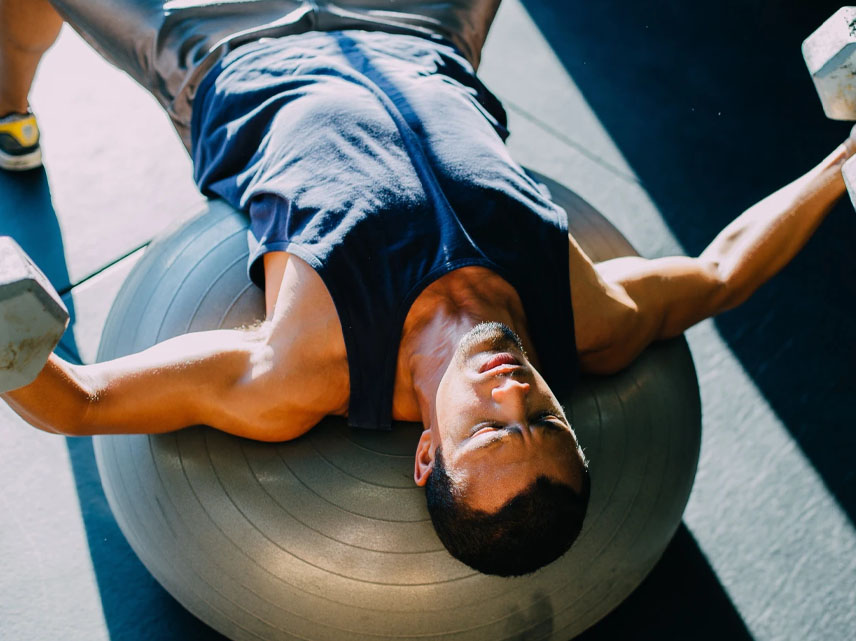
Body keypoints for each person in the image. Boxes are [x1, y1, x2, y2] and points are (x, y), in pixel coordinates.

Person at [1, 0, 853, 577]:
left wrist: (8, 321)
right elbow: (723, 271)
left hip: (226, 44)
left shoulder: (304, 370)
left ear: (425, 455)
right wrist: (845, 160)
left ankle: (7, 108)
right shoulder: (591, 318)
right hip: (422, 28)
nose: (514, 394)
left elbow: (77, 402)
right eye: (545, 421)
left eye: (489, 430)